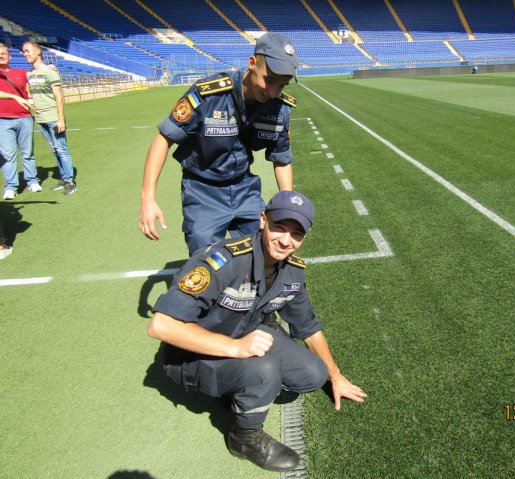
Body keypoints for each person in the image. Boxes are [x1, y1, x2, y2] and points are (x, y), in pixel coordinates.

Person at [147, 190, 367, 472]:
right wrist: (236, 348)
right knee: (264, 372)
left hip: (244, 336)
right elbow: (161, 325)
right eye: (279, 227)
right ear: (263, 220)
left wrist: (335, 376)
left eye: (296, 234)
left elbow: (308, 327)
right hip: (191, 356)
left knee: (313, 374)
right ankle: (244, 438)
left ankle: (237, 388)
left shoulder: (293, 271)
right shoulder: (224, 260)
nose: (285, 240)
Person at [139, 32, 300, 255]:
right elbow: (164, 138)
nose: (273, 92)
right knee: (205, 260)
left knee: (265, 251)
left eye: (281, 85)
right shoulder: (209, 94)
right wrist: (148, 199)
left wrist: (286, 207)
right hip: (202, 191)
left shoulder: (278, 107)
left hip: (244, 187)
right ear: (252, 63)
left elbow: (281, 158)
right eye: (269, 80)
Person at [21, 41, 76, 195]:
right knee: (54, 149)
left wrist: (61, 119)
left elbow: (59, 96)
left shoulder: (50, 72)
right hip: (40, 118)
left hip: (53, 117)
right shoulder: (30, 74)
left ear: (38, 52)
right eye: (23, 51)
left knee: (61, 149)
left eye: (27, 51)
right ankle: (63, 177)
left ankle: (70, 181)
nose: (25, 54)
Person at [0, 43, 42, 201]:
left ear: (9, 56)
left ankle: (32, 181)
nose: (1, 56)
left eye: (4, 53)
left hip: (24, 118)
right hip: (3, 120)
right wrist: (14, 97)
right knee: (8, 156)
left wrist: (50, 68)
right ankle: (11, 187)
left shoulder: (22, 73)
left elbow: (39, 74)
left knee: (28, 153)